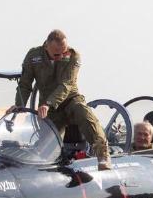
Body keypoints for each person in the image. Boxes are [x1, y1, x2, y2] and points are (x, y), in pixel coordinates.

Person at [14, 29, 111, 170]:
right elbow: (24, 84)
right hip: (49, 109)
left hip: (70, 99)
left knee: (83, 112)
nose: (61, 56)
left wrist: (48, 103)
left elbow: (66, 84)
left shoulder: (73, 56)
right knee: (46, 147)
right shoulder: (33, 56)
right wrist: (19, 107)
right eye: (56, 54)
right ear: (46, 46)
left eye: (63, 51)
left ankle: (103, 155)